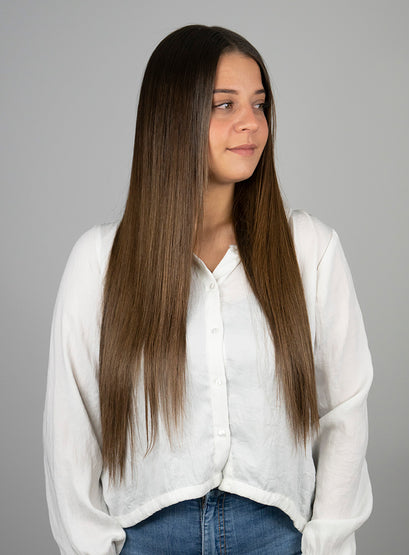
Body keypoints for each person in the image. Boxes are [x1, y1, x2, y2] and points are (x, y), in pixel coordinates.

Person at [43, 24, 373, 555]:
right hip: (145, 539)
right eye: (224, 104)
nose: (251, 123)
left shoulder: (309, 249)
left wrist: (327, 544)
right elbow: (71, 428)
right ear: (173, 116)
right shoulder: (100, 262)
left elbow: (345, 410)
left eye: (259, 104)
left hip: (277, 537)